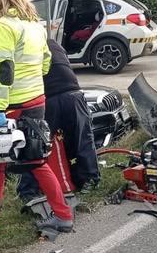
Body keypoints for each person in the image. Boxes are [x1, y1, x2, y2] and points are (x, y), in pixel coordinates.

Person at [0, 0, 74, 234]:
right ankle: (63, 214)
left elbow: (3, 70)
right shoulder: (34, 25)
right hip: (36, 100)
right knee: (35, 159)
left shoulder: (3, 26)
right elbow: (46, 61)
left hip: (12, 104)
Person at [16, 37, 101, 203]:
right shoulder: (51, 42)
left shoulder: (20, 48)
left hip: (49, 99)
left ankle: (28, 190)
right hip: (74, 94)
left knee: (36, 145)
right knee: (82, 139)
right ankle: (89, 179)